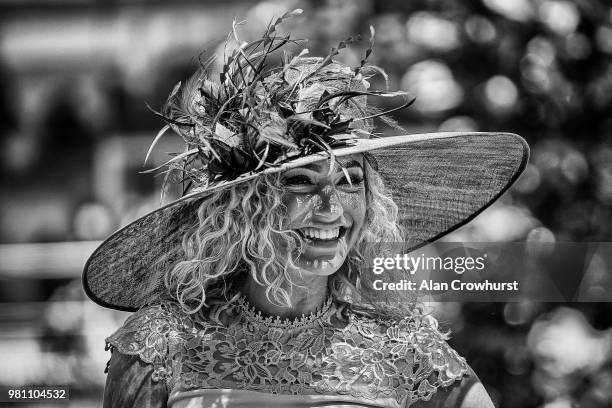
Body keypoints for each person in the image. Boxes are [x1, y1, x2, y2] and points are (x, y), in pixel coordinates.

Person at [83, 10, 529, 408]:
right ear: (243, 209)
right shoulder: (165, 341)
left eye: (350, 180)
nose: (331, 207)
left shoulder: (404, 350)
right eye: (301, 183)